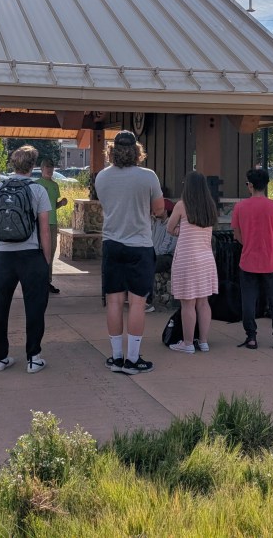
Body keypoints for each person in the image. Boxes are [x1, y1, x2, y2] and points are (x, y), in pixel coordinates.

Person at [94, 130, 165, 375]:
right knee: (137, 303)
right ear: (137, 150)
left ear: (111, 151)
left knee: (113, 301)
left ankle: (115, 357)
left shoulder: (102, 177)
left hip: (112, 243)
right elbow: (158, 210)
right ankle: (133, 360)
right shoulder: (148, 177)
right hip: (140, 245)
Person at [0, 145, 52, 373]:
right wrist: (46, 259)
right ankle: (33, 358)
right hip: (30, 254)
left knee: (0, 306)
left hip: (4, 255)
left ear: (13, 163)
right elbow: (44, 229)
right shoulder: (38, 190)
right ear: (33, 165)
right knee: (34, 307)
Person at [231, 168, 273, 351]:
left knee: (248, 300)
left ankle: (251, 337)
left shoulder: (240, 207)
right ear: (266, 185)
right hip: (272, 262)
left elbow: (237, 235)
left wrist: (248, 242)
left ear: (250, 185)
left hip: (248, 260)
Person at [165, 171, 218, 354]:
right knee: (203, 303)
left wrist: (182, 230)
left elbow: (169, 228)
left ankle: (187, 343)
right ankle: (203, 342)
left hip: (187, 259)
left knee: (187, 303)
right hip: (206, 259)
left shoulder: (181, 205)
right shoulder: (210, 206)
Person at [33, 158, 68, 295]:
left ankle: (47, 281)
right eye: (47, 167)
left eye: (51, 167)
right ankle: (37, 281)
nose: (49, 169)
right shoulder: (36, 185)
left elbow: (54, 205)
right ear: (41, 169)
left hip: (52, 223)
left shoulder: (55, 185)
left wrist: (62, 203)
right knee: (38, 253)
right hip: (40, 224)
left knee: (50, 253)